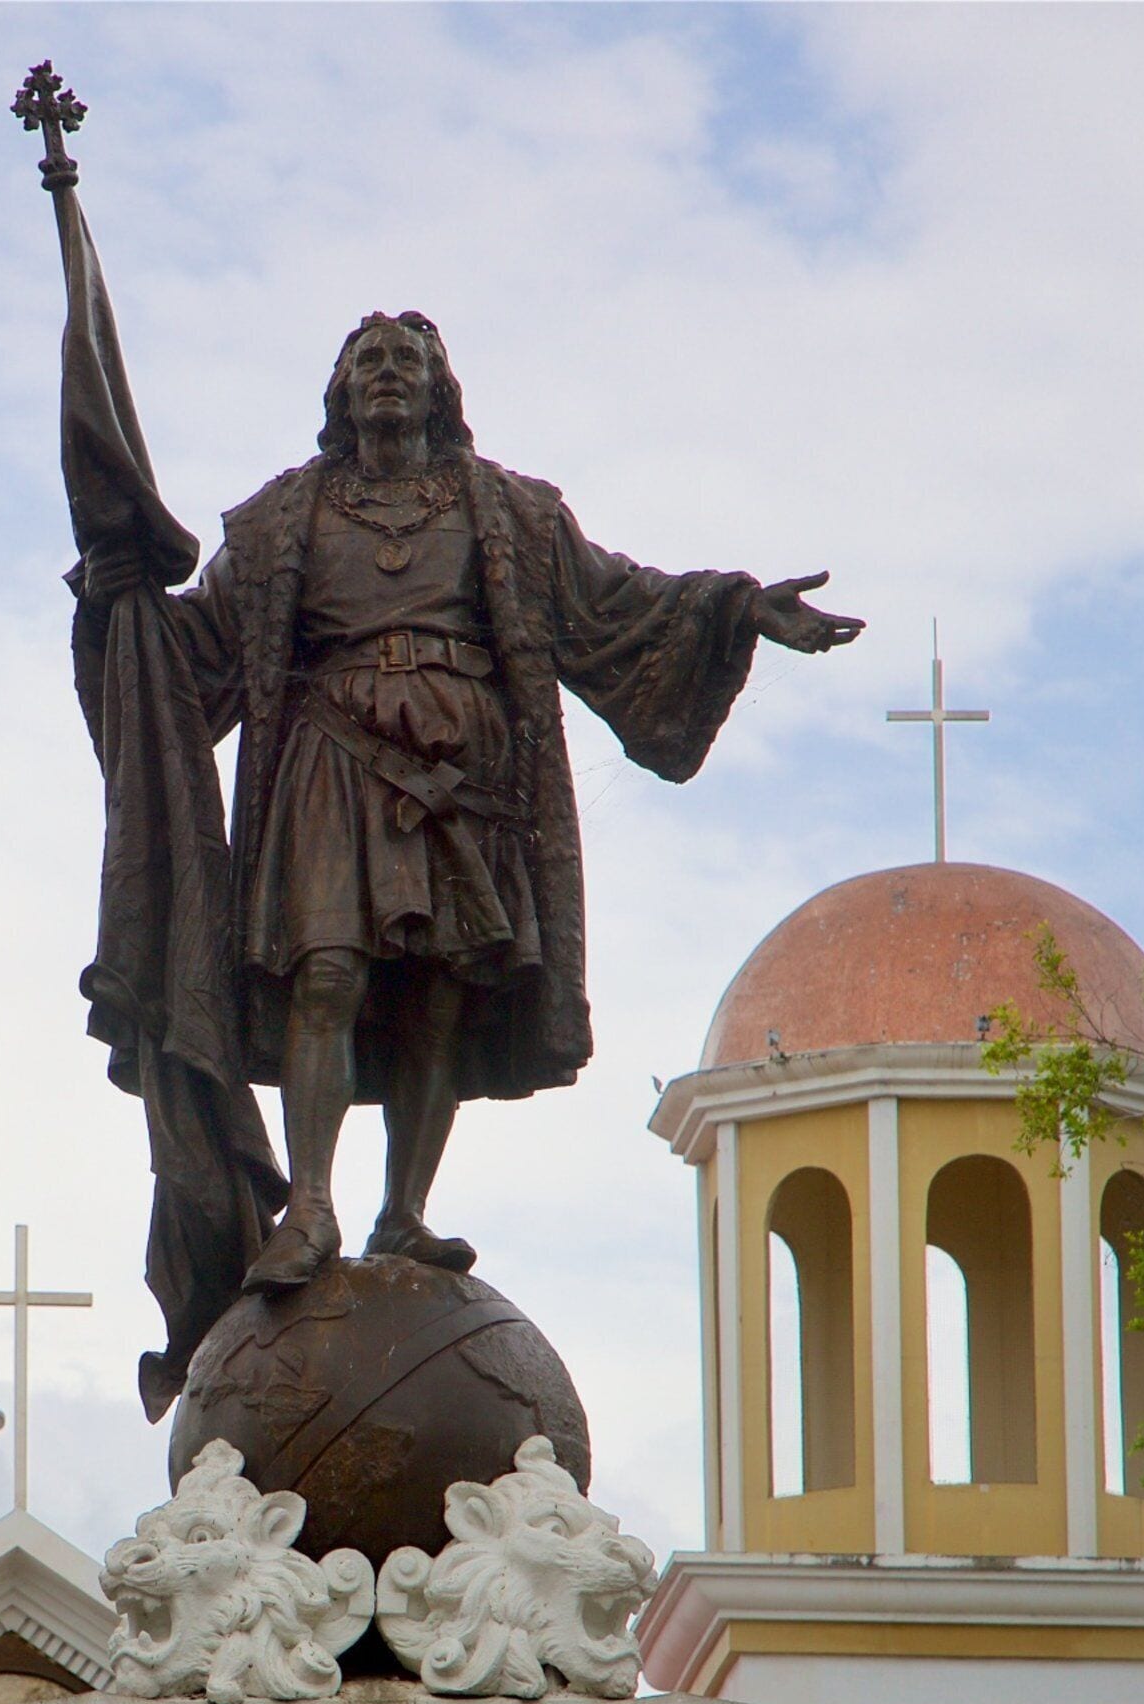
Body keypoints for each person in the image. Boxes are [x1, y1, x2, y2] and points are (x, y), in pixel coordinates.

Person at [88, 312, 864, 1295]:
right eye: (367, 361)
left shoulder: (507, 510)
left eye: (406, 361)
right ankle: (315, 1208)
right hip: (330, 762)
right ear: (340, 391)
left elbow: (615, 602)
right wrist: (117, 603)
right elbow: (192, 649)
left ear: (440, 389)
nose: (386, 375)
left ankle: (404, 1213)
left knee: (438, 993)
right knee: (324, 974)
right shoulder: (282, 520)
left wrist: (740, 607)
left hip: (468, 778)